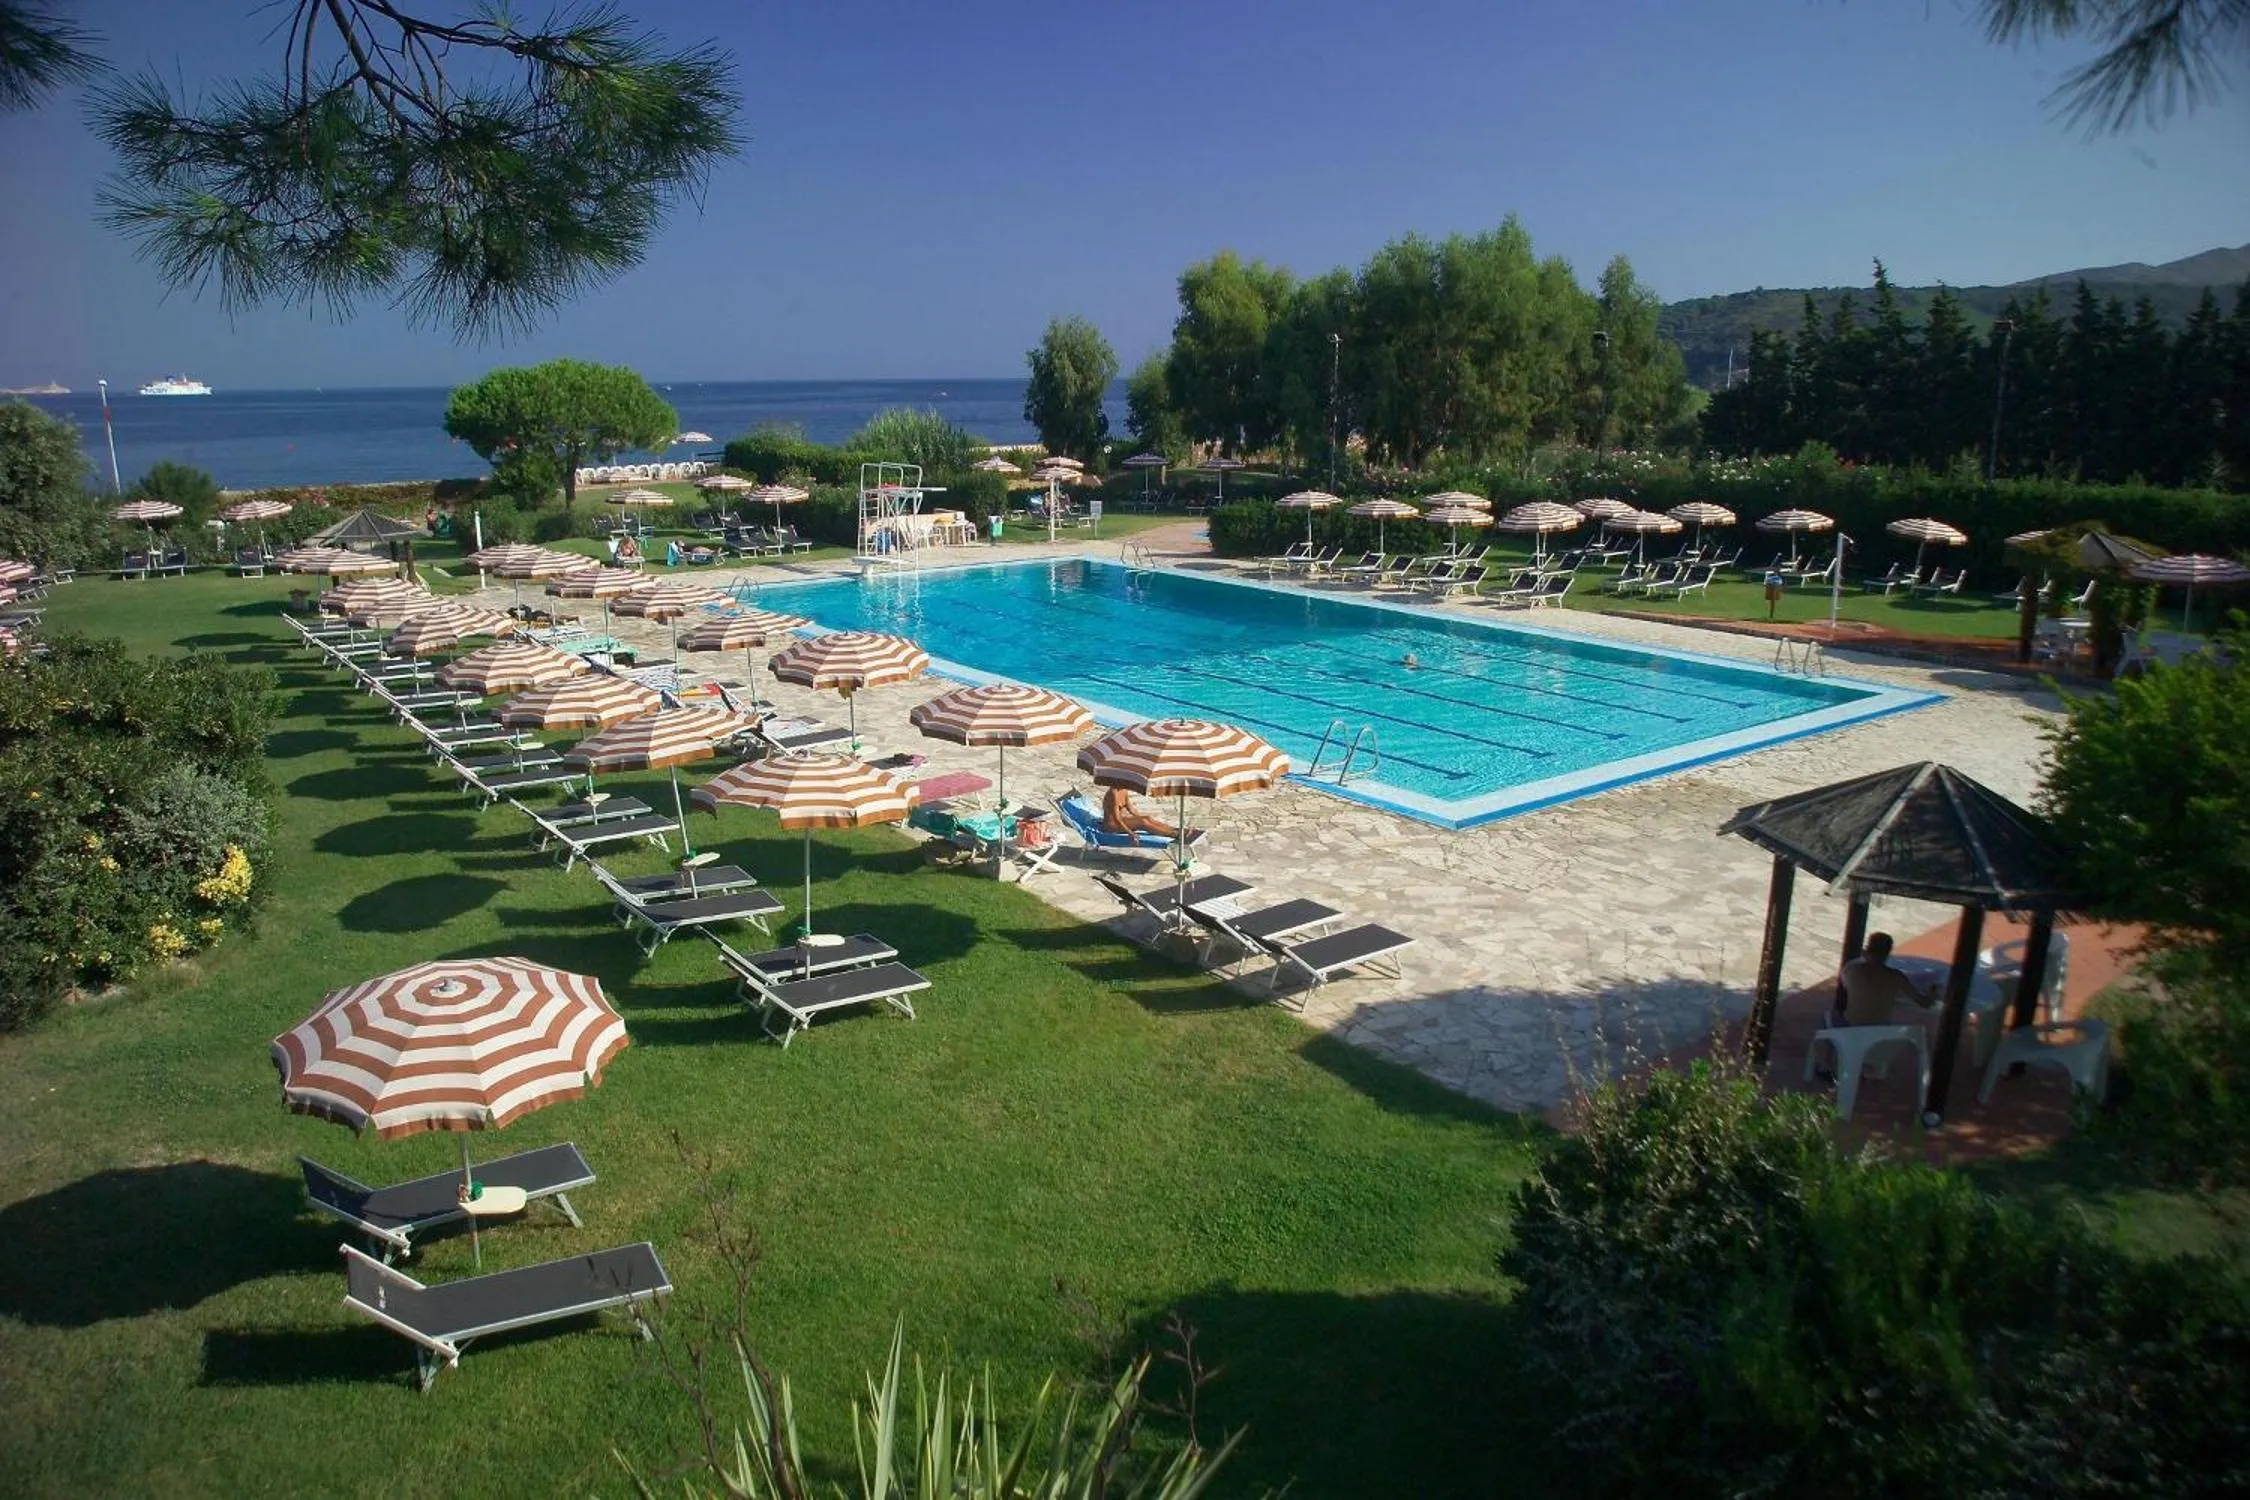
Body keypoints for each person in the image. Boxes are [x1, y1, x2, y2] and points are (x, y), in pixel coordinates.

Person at [1833, 932, 1935, 1028]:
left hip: (1851, 1025)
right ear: (1888, 953)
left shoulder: (1851, 970)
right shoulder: (1896, 977)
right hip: (1879, 1029)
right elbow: (1924, 1003)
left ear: (1867, 950)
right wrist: (1933, 992)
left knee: (1838, 1013)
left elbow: (1848, 987)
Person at [1102, 785, 1192, 842]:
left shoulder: (1123, 790)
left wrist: (1143, 817)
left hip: (1120, 820)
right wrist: (1130, 833)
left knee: (1147, 818)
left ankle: (1175, 830)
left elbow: (1132, 810)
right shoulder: (1112, 794)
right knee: (1143, 823)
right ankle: (1175, 834)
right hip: (1111, 825)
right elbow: (1117, 819)